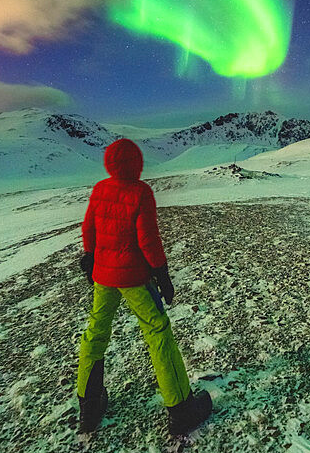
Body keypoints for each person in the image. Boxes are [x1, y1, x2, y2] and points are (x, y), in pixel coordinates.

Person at [76, 137, 212, 436]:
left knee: (96, 330)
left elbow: (89, 227)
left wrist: (90, 255)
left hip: (103, 276)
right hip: (135, 278)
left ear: (109, 164)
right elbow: (147, 239)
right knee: (158, 331)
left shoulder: (100, 189)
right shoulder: (140, 192)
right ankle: (181, 409)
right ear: (137, 163)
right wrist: (162, 274)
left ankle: (89, 405)